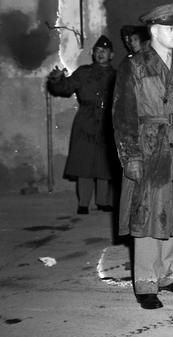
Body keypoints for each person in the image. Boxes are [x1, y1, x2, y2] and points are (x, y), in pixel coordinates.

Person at [112, 3, 173, 310]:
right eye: (171, 28)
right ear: (154, 31)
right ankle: (144, 282)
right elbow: (123, 116)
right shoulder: (135, 66)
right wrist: (131, 156)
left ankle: (165, 274)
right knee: (147, 216)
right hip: (150, 147)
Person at [46, 35, 119, 214]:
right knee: (84, 163)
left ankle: (103, 201)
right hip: (86, 121)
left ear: (112, 55)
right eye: (97, 51)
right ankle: (83, 203)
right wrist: (57, 80)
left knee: (106, 164)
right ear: (93, 53)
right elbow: (65, 88)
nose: (100, 54)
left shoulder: (118, 75)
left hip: (108, 122)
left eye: (105, 51)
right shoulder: (83, 72)